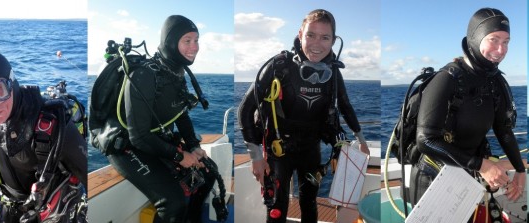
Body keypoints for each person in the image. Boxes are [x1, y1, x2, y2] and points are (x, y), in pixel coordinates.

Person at [238, 9, 369, 223]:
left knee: (309, 203)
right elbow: (245, 109)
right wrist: (256, 157)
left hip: (311, 149)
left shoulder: (333, 74)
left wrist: (361, 140)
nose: (317, 44)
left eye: (325, 37)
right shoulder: (279, 67)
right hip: (278, 150)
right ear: (300, 34)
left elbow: (345, 105)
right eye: (311, 35)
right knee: (276, 207)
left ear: (333, 40)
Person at [103, 15, 216, 223]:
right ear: (171, 42)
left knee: (209, 173)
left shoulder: (175, 72)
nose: (195, 46)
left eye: (196, 40)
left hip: (156, 140)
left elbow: (180, 113)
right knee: (173, 203)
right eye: (187, 40)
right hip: (127, 146)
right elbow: (138, 137)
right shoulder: (145, 75)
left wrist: (192, 145)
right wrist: (179, 156)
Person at [410, 7, 526, 207]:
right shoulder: (448, 78)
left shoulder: (496, 82)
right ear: (475, 37)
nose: (501, 50)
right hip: (433, 178)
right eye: (494, 40)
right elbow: (425, 140)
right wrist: (482, 165)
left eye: (506, 42)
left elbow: (504, 130)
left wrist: (520, 171)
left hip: (468, 176)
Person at [0, 51, 88, 222]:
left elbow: (87, 174)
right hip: (8, 203)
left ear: (12, 85)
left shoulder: (54, 125)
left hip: (49, 212)